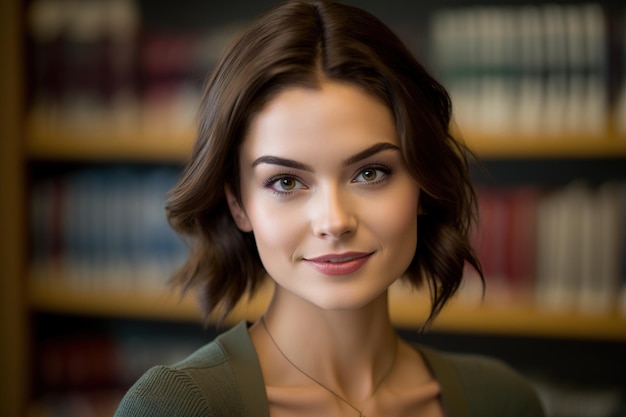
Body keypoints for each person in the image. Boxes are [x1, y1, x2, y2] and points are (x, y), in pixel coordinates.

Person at [115, 1, 545, 416]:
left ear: (422, 185)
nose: (335, 221)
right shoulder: (174, 409)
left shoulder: (501, 401)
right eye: (286, 182)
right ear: (238, 204)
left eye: (371, 173)